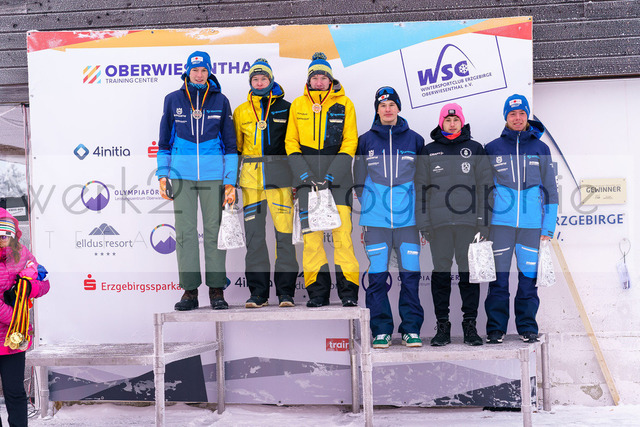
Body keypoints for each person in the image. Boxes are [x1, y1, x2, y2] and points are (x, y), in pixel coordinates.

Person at [156, 50, 238, 311]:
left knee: (215, 231)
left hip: (214, 175)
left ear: (209, 71)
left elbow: (231, 145)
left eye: (204, 70)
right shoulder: (173, 100)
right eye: (195, 70)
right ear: (187, 71)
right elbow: (164, 142)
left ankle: (216, 289)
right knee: (185, 233)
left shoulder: (221, 100)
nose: (199, 75)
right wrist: (162, 175)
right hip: (182, 176)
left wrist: (230, 181)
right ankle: (190, 291)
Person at [285, 52, 360, 307]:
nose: (319, 81)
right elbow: (291, 142)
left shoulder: (345, 104)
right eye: (315, 77)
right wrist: (304, 175)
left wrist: (331, 175)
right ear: (309, 80)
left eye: (323, 77)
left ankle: (348, 292)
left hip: (338, 182)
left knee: (343, 237)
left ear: (330, 80)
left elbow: (350, 142)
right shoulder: (298, 104)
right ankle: (317, 293)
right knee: (312, 240)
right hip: (307, 182)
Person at [415, 103, 492, 347]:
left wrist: (483, 223)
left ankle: (470, 325)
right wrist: (424, 223)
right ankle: (443, 326)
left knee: (469, 275)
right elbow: (421, 190)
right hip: (439, 226)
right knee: (441, 275)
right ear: (441, 123)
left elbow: (486, 188)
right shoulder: (428, 151)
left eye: (455, 120)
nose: (451, 124)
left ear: (462, 122)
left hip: (469, 224)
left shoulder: (475, 149)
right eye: (447, 120)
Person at [484, 94, 558, 344]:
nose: (517, 118)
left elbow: (551, 190)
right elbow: (483, 190)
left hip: (531, 227)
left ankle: (527, 327)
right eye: (512, 114)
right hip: (500, 226)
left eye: (522, 114)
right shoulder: (492, 148)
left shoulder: (540, 148)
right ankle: (496, 329)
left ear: (527, 116)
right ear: (506, 117)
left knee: (528, 281)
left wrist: (548, 227)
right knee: (499, 281)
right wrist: (484, 225)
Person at [354, 87, 425, 348]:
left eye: (392, 105)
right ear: (377, 109)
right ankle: (381, 330)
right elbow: (358, 179)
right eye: (382, 105)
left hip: (408, 222)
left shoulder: (415, 140)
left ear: (398, 108)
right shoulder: (365, 140)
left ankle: (411, 329)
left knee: (410, 277)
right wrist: (370, 208)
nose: (387, 109)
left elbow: (423, 180)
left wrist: (421, 218)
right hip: (375, 222)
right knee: (377, 277)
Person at [233, 58, 299, 308]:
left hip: (280, 180)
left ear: (271, 80)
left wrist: (296, 180)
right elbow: (236, 149)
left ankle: (286, 293)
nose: (259, 83)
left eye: (263, 78)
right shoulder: (241, 111)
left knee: (284, 237)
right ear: (250, 82)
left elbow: (293, 146)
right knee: (255, 239)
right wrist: (231, 182)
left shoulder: (287, 108)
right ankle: (258, 293)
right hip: (251, 183)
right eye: (255, 79)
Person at [0, 208, 50, 426]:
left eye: (6, 235)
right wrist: (16, 318)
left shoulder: (22, 254)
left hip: (13, 340)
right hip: (14, 326)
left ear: (13, 235)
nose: (2, 239)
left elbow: (44, 284)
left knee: (15, 393)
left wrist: (29, 287)